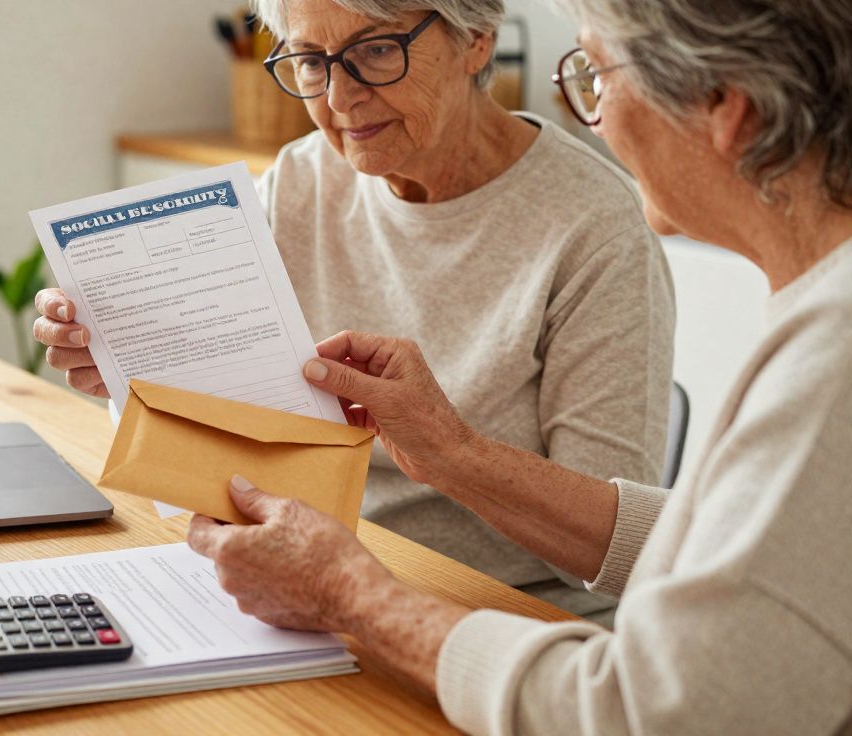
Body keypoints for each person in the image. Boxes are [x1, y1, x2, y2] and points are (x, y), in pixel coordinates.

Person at [186, 0, 852, 732]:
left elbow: (652, 714)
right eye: (312, 62)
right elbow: (726, 554)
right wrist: (449, 456)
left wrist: (353, 594)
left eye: (597, 74)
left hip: (500, 640)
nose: (590, 115)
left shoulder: (829, 355)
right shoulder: (817, 323)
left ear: (724, 106)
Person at [33, 0, 675, 621]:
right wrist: (127, 361)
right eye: (312, 60)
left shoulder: (596, 227)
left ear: (476, 38)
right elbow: (234, 410)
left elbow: (611, 550)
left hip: (504, 616)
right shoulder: (302, 179)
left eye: (376, 49)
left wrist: (452, 453)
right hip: (314, 576)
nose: (340, 97)